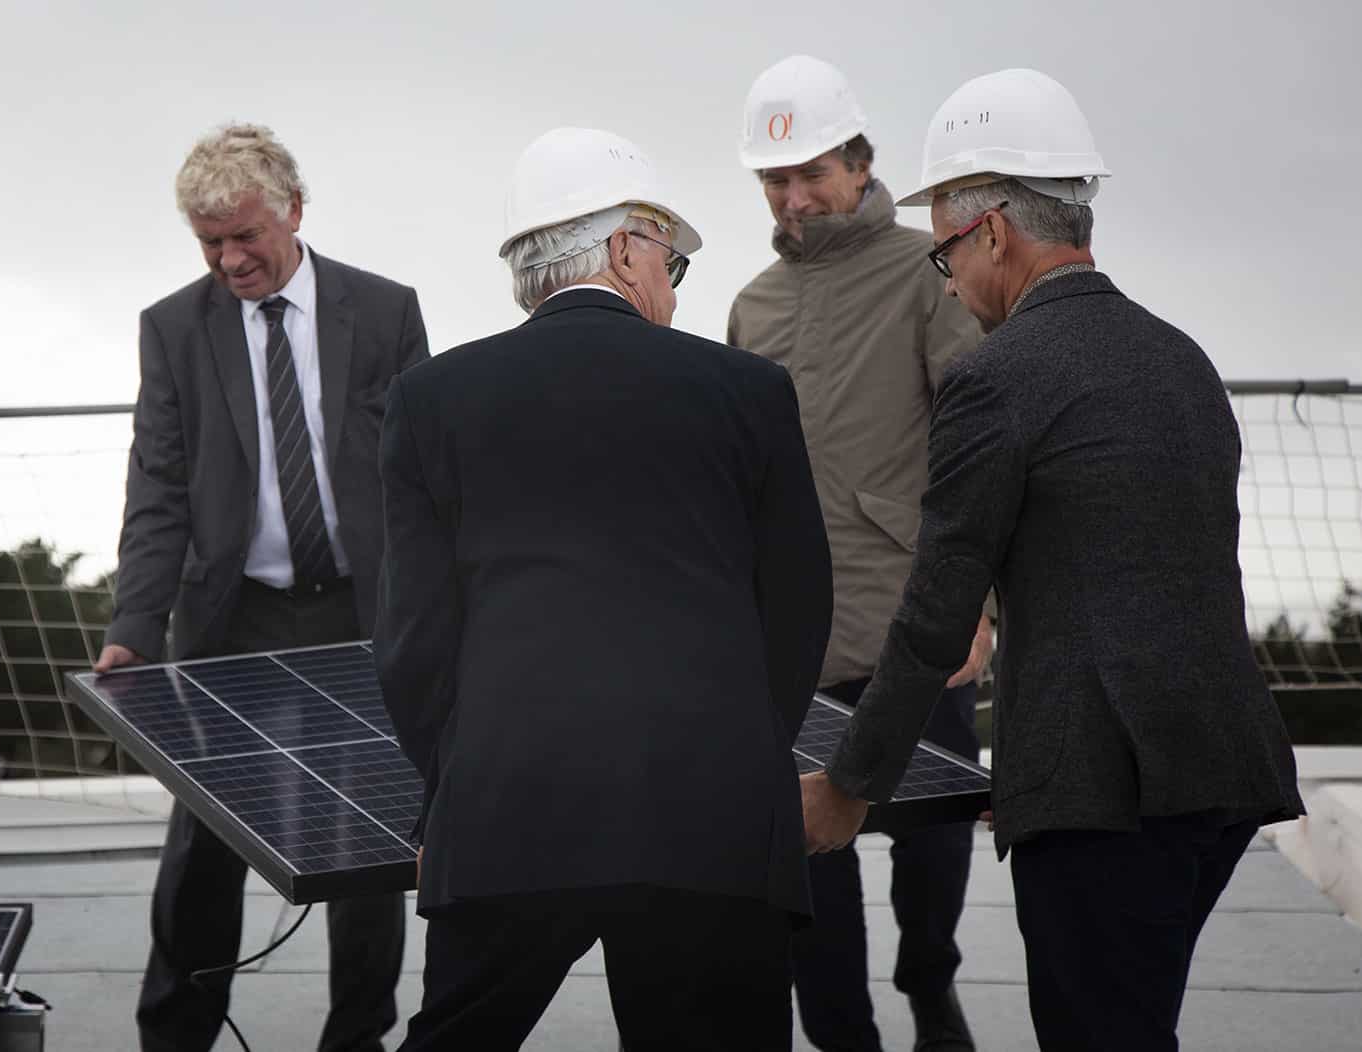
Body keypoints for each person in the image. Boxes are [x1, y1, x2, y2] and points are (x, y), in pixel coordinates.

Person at [799, 70, 1305, 1052]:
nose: (947, 282)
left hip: (1105, 795)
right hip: (1225, 765)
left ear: (992, 232)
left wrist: (848, 785)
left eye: (943, 255)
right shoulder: (1181, 357)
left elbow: (939, 609)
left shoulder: (996, 377)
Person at [374, 126, 832, 1051]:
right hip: (711, 818)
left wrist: (452, 791)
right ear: (627, 247)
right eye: (673, 261)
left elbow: (414, 641)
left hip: (508, 804)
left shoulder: (430, 399)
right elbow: (797, 611)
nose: (672, 288)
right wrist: (742, 758)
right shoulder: (749, 389)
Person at [95, 122, 428, 1052]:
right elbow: (157, 486)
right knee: (203, 842)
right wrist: (133, 623)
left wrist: (444, 612)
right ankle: (176, 1032)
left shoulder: (387, 310)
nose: (230, 260)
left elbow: (424, 476)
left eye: (245, 236)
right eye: (210, 244)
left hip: (363, 611)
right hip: (233, 618)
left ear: (294, 210)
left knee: (366, 842)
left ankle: (356, 1036)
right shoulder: (172, 328)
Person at [728, 55, 988, 1052]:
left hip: (918, 619)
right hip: (788, 628)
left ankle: (932, 978)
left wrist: (982, 602)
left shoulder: (929, 271)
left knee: (931, 833)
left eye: (811, 174)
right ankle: (845, 1034)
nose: (795, 198)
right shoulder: (752, 305)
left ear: (859, 161)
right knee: (807, 851)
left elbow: (980, 443)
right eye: (774, 181)